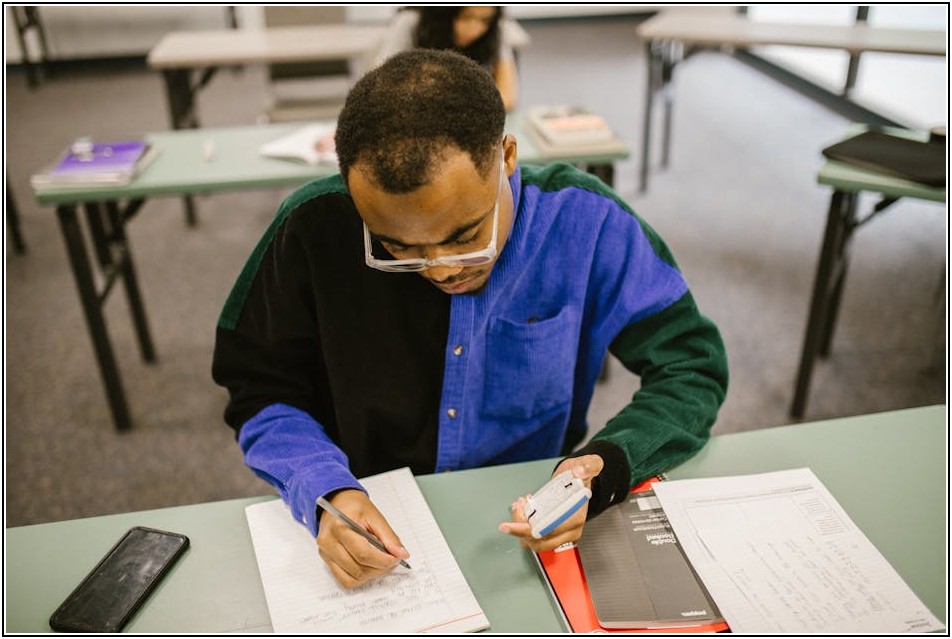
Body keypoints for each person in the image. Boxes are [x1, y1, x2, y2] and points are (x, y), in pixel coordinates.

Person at [212, 49, 728, 589]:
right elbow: (259, 389)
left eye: (466, 235)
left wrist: (606, 466)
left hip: (528, 524)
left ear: (507, 156)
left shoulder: (586, 221)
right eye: (398, 247)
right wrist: (324, 488)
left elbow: (691, 366)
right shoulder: (310, 228)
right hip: (371, 510)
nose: (441, 269)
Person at [372, 6, 520, 110]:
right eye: (465, 17)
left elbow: (508, 96)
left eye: (485, 20)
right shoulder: (411, 22)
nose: (474, 29)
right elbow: (377, 84)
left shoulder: (494, 32)